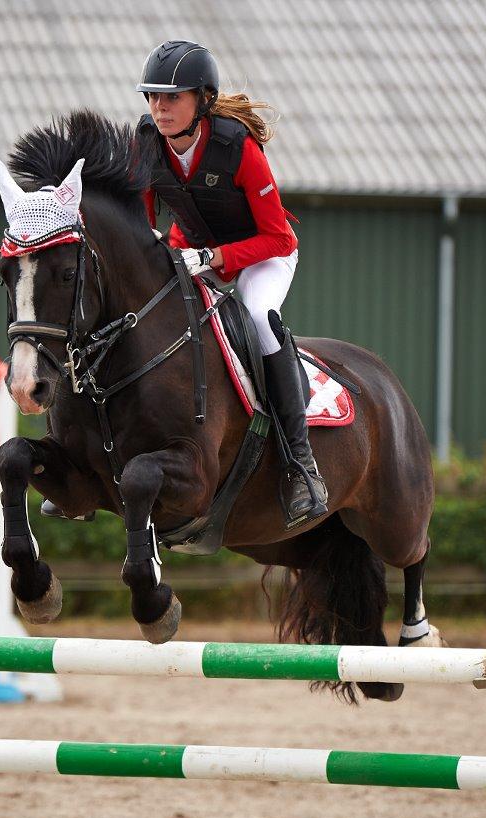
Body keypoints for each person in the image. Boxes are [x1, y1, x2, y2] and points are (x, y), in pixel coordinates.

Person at [136, 40, 328, 528]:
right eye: (153, 96)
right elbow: (143, 223)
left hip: (261, 257)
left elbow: (278, 235)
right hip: (195, 253)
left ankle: (302, 466)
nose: (160, 107)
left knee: (259, 319)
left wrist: (216, 257)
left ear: (202, 99)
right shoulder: (145, 142)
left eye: (171, 97)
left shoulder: (236, 148)